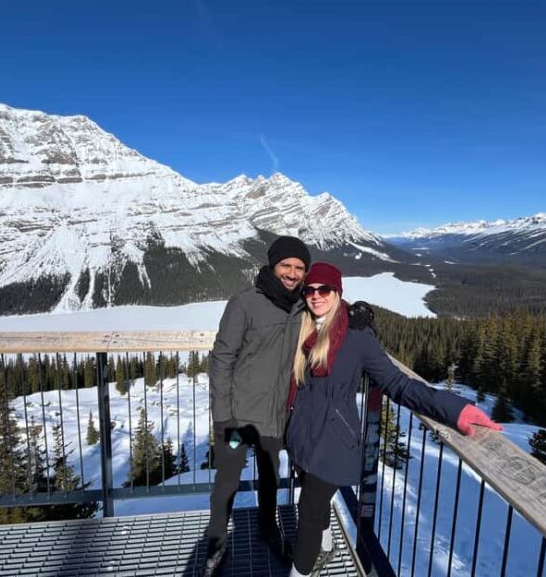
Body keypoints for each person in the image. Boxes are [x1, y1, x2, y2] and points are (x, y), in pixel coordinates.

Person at [285, 262, 502, 577]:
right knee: (312, 502)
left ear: (338, 292)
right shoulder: (303, 326)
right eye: (310, 290)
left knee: (307, 510)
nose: (316, 296)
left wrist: (454, 409)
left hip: (332, 442)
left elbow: (397, 383)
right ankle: (327, 545)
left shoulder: (356, 336)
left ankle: (300, 571)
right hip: (304, 434)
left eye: (325, 289)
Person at [203, 235, 311, 576]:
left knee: (269, 479)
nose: (292, 273)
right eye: (286, 266)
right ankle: (216, 542)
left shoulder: (303, 306)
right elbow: (222, 359)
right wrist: (223, 416)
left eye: (299, 268)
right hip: (238, 419)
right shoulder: (245, 303)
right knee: (228, 481)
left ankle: (268, 530)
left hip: (274, 418)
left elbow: (333, 313)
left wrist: (357, 317)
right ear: (272, 265)